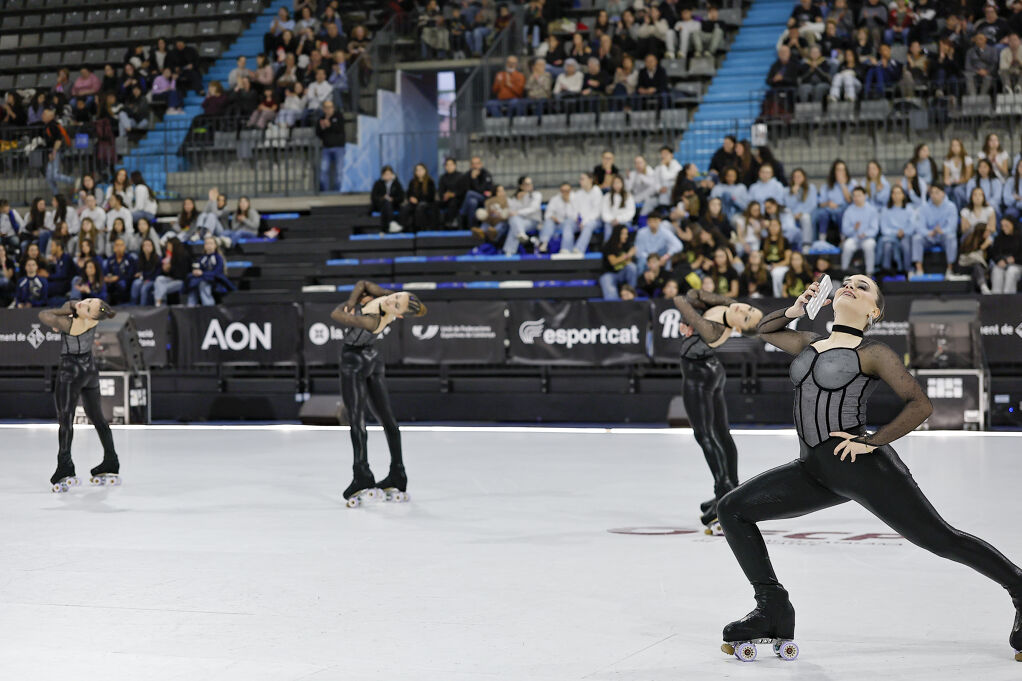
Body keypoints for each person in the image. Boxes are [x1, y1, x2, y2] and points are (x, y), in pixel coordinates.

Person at [717, 275, 1022, 662]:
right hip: (812, 470)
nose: (849, 287)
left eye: (861, 287)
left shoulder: (872, 351)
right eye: (846, 283)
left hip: (865, 469)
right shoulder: (810, 342)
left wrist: (871, 441)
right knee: (732, 509)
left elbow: (920, 405)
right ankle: (772, 607)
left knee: (942, 539)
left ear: (873, 311)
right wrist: (794, 310)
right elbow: (766, 330)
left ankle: (1020, 589)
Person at [671, 288, 762, 532]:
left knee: (705, 435)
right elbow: (694, 293)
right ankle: (730, 490)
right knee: (722, 433)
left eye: (746, 316)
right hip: (712, 371)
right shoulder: (732, 307)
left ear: (740, 330)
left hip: (699, 377)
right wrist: (697, 310)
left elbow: (681, 300)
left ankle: (724, 495)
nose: (743, 309)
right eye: (750, 309)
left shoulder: (713, 330)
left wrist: (693, 310)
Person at [329, 281, 427, 507]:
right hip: (373, 358)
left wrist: (348, 305)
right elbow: (363, 284)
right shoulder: (388, 299)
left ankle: (362, 474)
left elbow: (336, 315)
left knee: (356, 419)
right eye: (396, 297)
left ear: (399, 316)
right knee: (387, 419)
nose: (391, 300)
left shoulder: (372, 321)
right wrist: (357, 300)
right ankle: (398, 474)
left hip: (353, 361)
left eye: (396, 304)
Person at [38, 298, 120, 492]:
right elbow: (98, 308)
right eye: (87, 300)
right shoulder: (95, 319)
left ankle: (64, 466)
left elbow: (43, 315)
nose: (83, 303)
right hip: (90, 371)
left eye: (87, 306)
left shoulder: (69, 323)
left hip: (70, 372)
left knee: (65, 418)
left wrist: (69, 307)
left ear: (90, 314)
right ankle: (111, 460)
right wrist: (75, 308)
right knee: (97, 417)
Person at [840, 186, 879, 275]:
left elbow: (874, 229)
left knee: (870, 245)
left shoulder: (872, 210)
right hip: (853, 237)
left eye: (859, 195)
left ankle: (869, 272)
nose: (856, 198)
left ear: (865, 196)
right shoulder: (849, 211)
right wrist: (854, 228)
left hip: (867, 238)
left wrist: (865, 234)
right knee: (847, 246)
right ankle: (844, 271)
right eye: (854, 196)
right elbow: (845, 230)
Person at [878, 184, 917, 272]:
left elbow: (912, 225)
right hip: (891, 236)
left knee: (905, 245)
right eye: (894, 193)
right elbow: (884, 228)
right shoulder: (886, 210)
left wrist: (904, 232)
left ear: (903, 195)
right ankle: (886, 270)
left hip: (905, 235)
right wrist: (896, 232)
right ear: (891, 195)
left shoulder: (909, 209)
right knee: (887, 246)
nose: (896, 196)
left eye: (899, 193)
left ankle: (907, 270)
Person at [185, 236, 231, 306]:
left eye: (211, 243)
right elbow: (198, 268)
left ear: (215, 245)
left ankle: (208, 307)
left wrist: (203, 273)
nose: (208, 246)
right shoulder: (202, 258)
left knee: (203, 284)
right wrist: (196, 272)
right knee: (193, 284)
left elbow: (217, 272)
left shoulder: (218, 258)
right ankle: (190, 307)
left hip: (215, 280)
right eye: (207, 244)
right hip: (202, 278)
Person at [503, 176, 542, 255]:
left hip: (533, 221)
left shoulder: (536, 195)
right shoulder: (515, 197)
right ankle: (520, 234)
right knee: (514, 221)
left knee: (515, 225)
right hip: (518, 221)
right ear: (521, 186)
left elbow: (533, 208)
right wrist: (518, 200)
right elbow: (511, 211)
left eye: (530, 183)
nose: (529, 185)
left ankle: (509, 251)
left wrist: (518, 212)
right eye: (526, 184)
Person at [599, 223, 637, 300]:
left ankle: (630, 293)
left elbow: (629, 262)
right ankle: (614, 305)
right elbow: (613, 262)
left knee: (632, 267)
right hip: (610, 273)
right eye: (623, 234)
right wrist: (628, 255)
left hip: (623, 272)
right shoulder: (608, 245)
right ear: (617, 234)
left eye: (626, 234)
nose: (626, 236)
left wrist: (629, 256)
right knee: (606, 280)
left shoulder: (627, 245)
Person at [316, 100, 346, 192]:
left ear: (333, 108)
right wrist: (323, 127)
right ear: (323, 109)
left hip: (339, 148)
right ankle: (325, 192)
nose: (328, 109)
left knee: (339, 172)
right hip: (326, 148)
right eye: (326, 107)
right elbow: (318, 133)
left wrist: (330, 125)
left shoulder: (338, 116)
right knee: (323, 171)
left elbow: (340, 129)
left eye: (330, 107)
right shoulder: (321, 119)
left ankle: (337, 192)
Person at [537, 182, 575, 253]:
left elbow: (574, 216)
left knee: (568, 223)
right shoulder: (555, 199)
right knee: (549, 222)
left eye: (567, 191)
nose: (565, 193)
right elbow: (548, 214)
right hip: (557, 224)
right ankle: (543, 243)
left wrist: (567, 202)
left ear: (570, 191)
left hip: (572, 224)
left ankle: (565, 249)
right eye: (563, 191)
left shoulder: (575, 199)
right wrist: (553, 217)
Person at [400, 164, 437, 232]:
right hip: (414, 203)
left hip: (427, 203)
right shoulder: (412, 182)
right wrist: (410, 198)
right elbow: (408, 194)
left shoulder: (430, 182)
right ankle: (404, 228)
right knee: (404, 208)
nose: (419, 172)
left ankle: (420, 229)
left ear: (425, 170)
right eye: (417, 170)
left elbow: (431, 196)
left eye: (421, 170)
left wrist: (418, 200)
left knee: (420, 207)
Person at [990, 217, 1022, 293]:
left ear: (1013, 225)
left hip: (1018, 264)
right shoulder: (999, 238)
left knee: (1011, 271)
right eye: (1002, 226)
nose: (1004, 228)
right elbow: (994, 254)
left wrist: (1013, 259)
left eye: (1006, 225)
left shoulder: (1020, 237)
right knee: (996, 270)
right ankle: (996, 297)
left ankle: (1008, 297)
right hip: (1002, 263)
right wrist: (999, 261)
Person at [371, 166, 405, 233]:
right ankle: (391, 223)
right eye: (385, 174)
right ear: (382, 175)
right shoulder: (378, 184)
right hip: (380, 205)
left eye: (389, 174)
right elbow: (373, 197)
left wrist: (393, 199)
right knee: (387, 203)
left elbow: (401, 197)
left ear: (392, 174)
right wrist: (382, 198)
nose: (387, 176)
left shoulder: (396, 184)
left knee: (400, 207)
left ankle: (393, 225)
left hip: (394, 205)